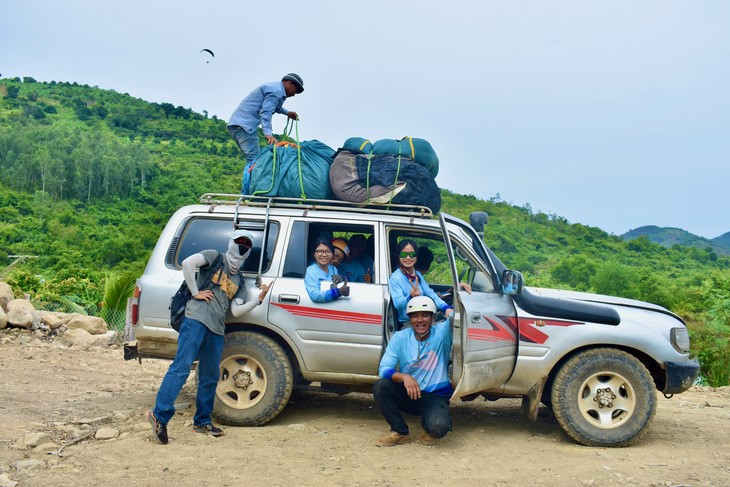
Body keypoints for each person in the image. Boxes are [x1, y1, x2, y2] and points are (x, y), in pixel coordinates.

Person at [146, 230, 271, 445]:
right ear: (231, 243)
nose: (242, 246)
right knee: (181, 367)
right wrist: (195, 292)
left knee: (210, 375)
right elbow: (187, 263)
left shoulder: (239, 280)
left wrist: (259, 299)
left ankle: (202, 421)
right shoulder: (215, 257)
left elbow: (237, 310)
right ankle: (159, 415)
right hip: (195, 318)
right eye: (239, 242)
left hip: (216, 328)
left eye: (246, 245)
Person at [373, 296, 453, 447]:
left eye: (425, 315)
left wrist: (447, 305)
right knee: (381, 385)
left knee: (437, 428)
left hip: (435, 396)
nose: (420, 320)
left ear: (433, 317)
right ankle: (400, 432)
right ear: (409, 319)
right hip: (409, 393)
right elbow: (383, 369)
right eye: (415, 316)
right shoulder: (400, 337)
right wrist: (404, 377)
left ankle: (428, 424)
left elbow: (458, 317)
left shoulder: (443, 332)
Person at [227, 73, 304, 193]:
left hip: (239, 125)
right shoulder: (277, 92)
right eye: (296, 90)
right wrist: (268, 133)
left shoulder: (276, 89)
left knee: (254, 159)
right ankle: (246, 193)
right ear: (290, 83)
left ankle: (248, 192)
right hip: (243, 126)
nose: (294, 95)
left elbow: (275, 107)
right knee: (254, 160)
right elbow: (266, 111)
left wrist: (287, 113)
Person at [389, 239, 451, 326]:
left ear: (416, 257)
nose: (408, 258)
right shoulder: (395, 278)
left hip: (424, 318)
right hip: (409, 323)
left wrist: (446, 308)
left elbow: (430, 293)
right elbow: (398, 304)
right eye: (403, 254)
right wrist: (410, 297)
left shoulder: (417, 274)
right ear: (398, 256)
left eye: (412, 254)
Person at [305, 237, 350, 302]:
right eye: (335, 255)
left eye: (340, 260)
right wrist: (338, 292)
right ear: (314, 254)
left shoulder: (333, 269)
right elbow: (314, 296)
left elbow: (343, 280)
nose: (336, 261)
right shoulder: (311, 270)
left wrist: (341, 278)